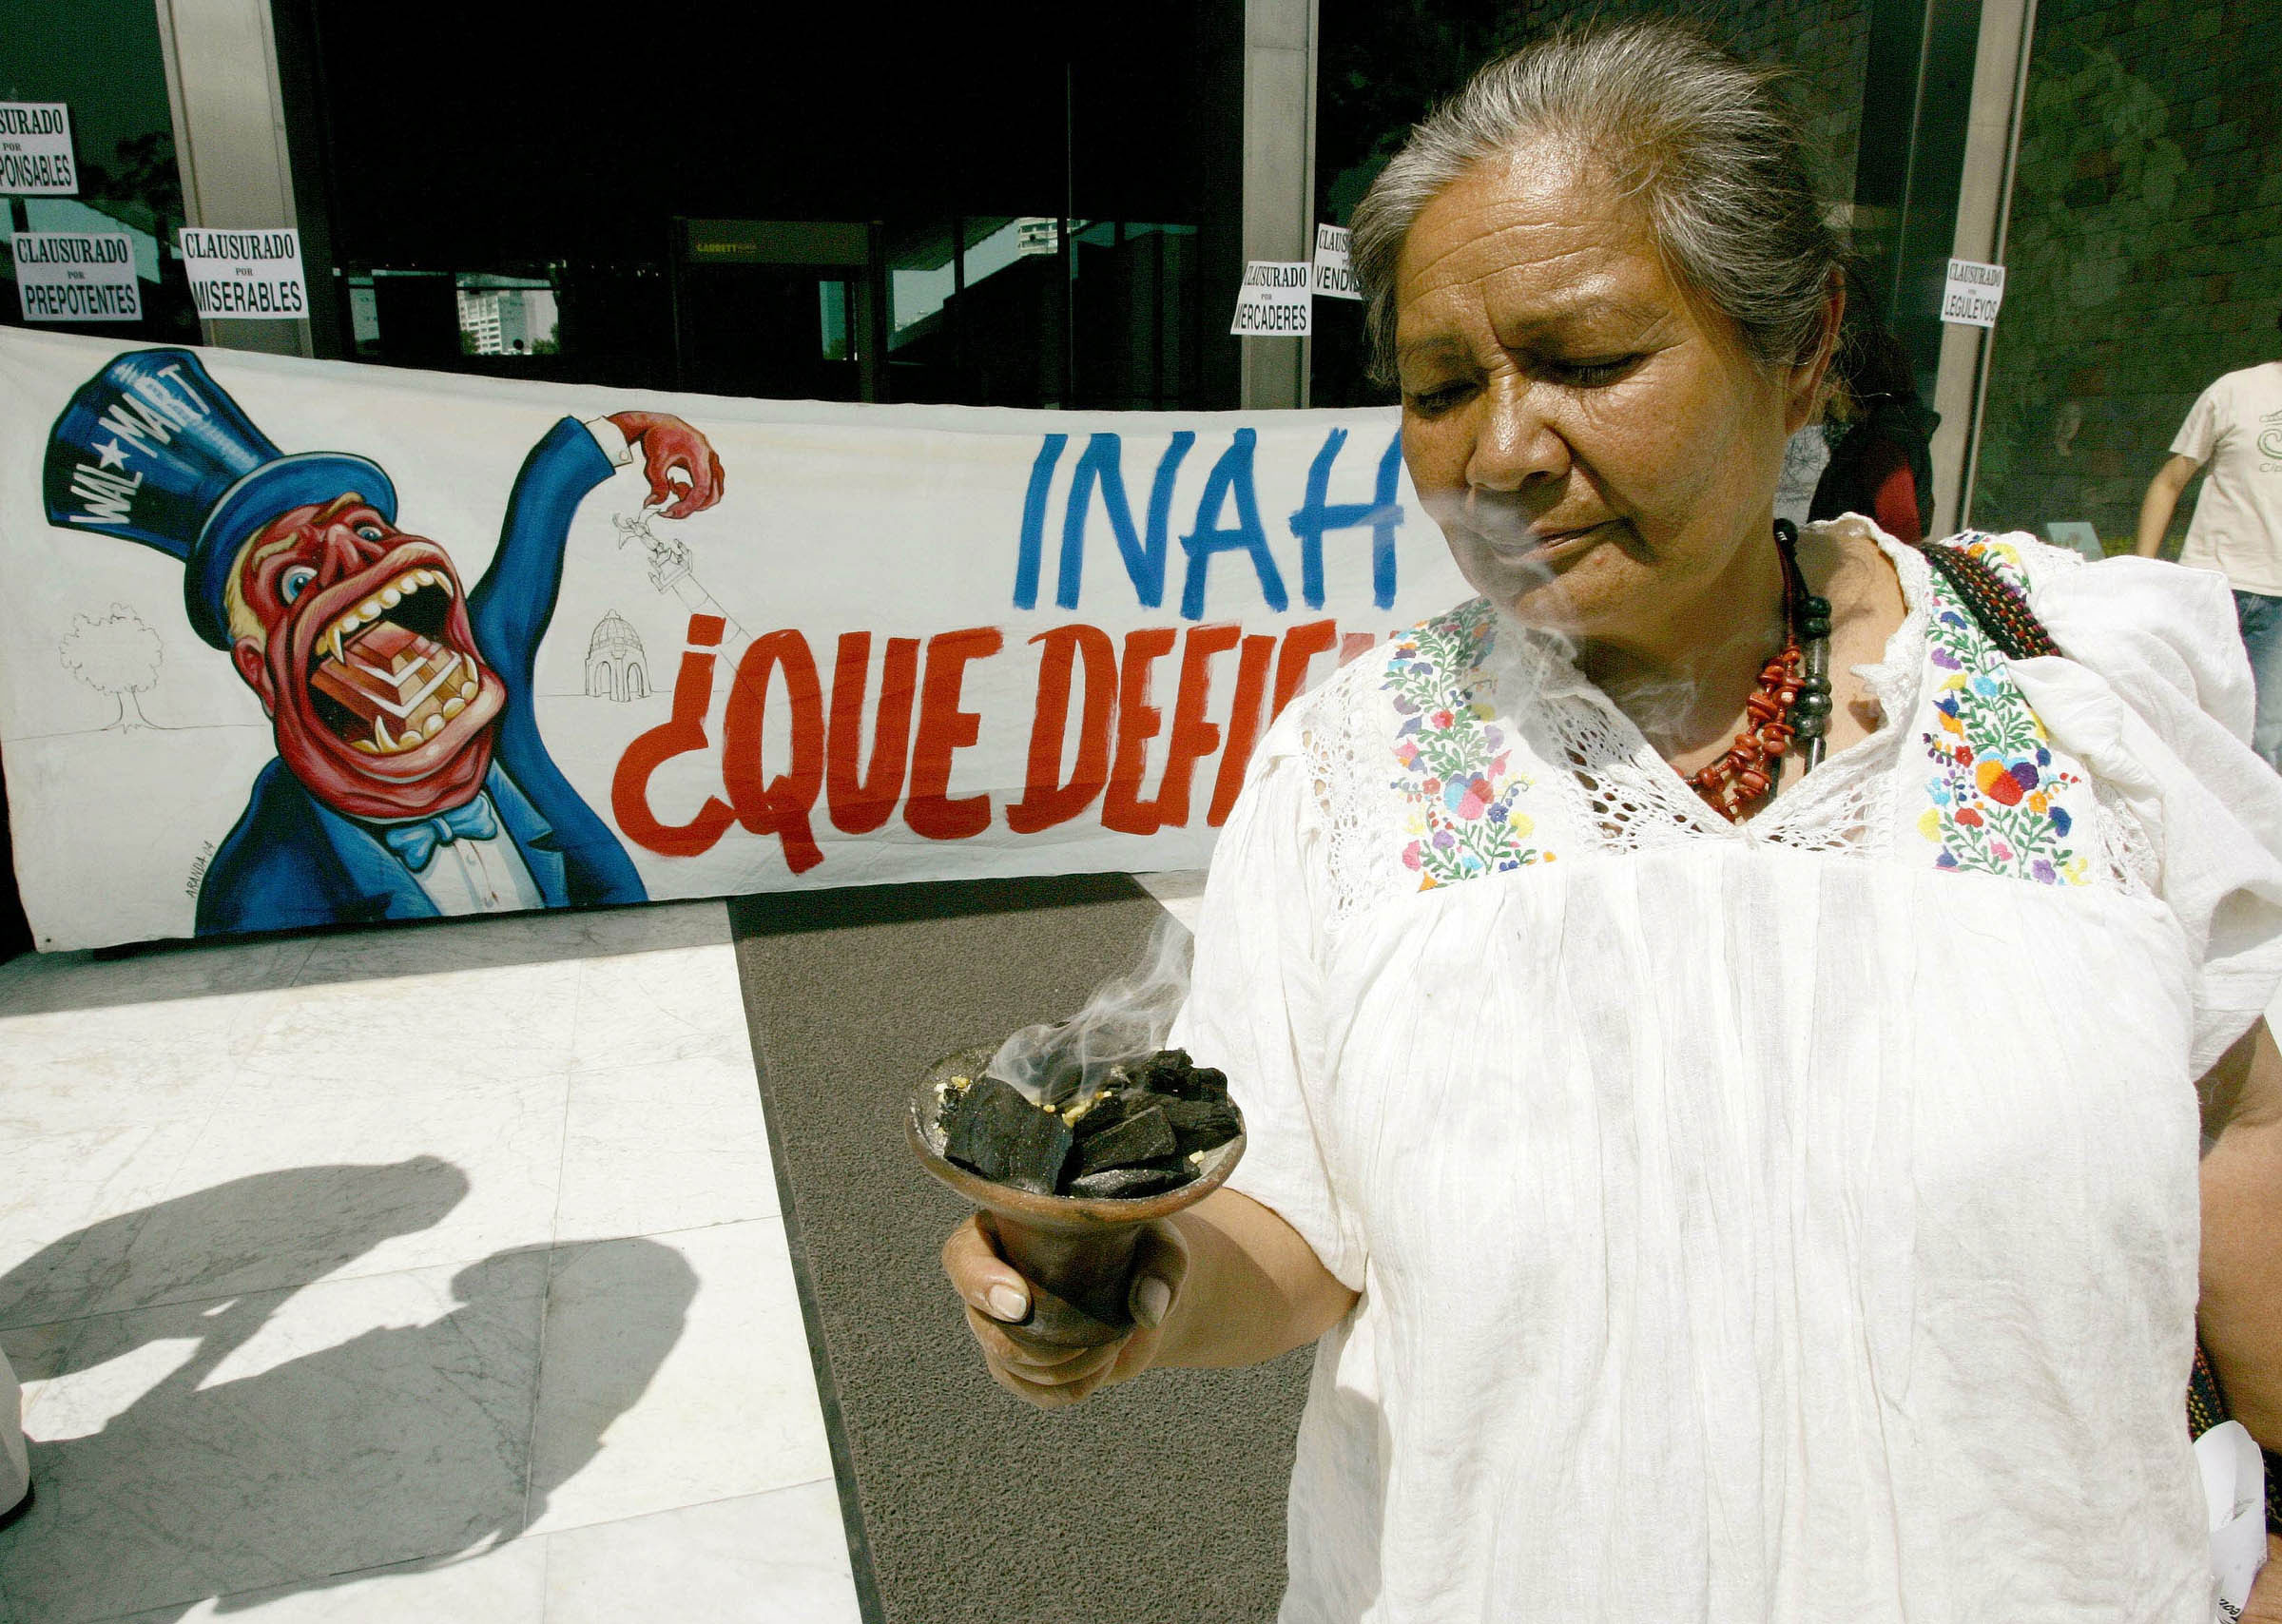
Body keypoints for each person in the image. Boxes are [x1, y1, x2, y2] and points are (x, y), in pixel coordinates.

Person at [941, 21, 2282, 1622]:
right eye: (1440, 388)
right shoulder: (1358, 766)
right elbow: (1295, 1226)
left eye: (1585, 362)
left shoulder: (2075, 697)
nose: (1500, 451)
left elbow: (2239, 1138)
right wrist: (1118, 1289)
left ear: (1801, 347)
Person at [43, 349, 725, 933]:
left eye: (367, 530)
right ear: (259, 672)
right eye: (294, 578)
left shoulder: (487, 672)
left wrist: (641, 430)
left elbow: (538, 515)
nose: (351, 555)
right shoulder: (263, 883)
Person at [2137, 319, 2282, 770]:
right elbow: (2169, 482)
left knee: (2265, 742)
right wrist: (2142, 568)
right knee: (2179, 722)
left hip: (2279, 605)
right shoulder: (2235, 390)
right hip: (2209, 587)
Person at [1809, 325, 1939, 543]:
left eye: (1837, 379)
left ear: (1858, 383)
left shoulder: (1884, 445)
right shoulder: (1892, 433)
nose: (1832, 392)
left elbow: (1901, 535)